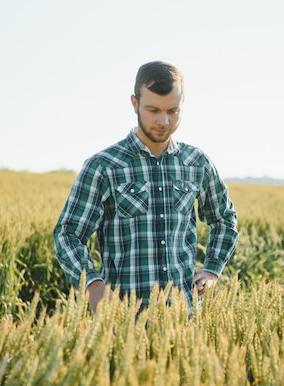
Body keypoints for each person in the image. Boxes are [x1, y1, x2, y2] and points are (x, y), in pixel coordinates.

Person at [54, 61, 239, 313]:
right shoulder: (104, 166)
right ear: (134, 103)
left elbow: (224, 218)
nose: (163, 120)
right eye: (153, 109)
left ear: (183, 104)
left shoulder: (197, 163)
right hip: (122, 323)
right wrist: (92, 284)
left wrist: (212, 269)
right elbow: (68, 234)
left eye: (173, 111)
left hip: (183, 322)